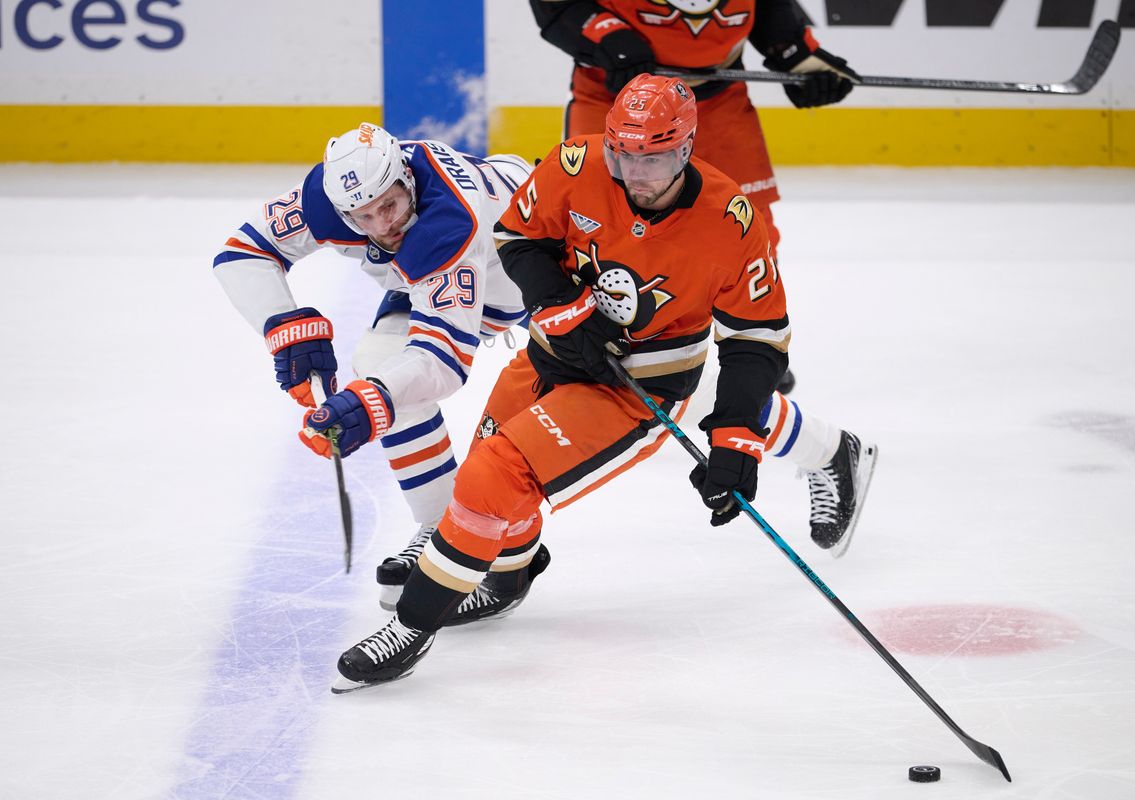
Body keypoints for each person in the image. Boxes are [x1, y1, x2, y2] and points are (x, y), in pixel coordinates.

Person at [331, 75, 874, 692]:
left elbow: (756, 340)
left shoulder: (730, 222)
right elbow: (519, 233)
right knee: (491, 498)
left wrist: (735, 439)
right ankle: (509, 577)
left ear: (688, 149)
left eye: (657, 159)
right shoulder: (580, 163)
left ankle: (410, 626)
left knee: (493, 477)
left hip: (635, 383)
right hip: (552, 352)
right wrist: (559, 305)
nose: (636, 175)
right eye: (624, 156)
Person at [213, 122, 545, 620]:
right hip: (429, 276)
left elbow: (445, 360)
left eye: (388, 206)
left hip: (528, 263)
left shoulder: (447, 223)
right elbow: (241, 252)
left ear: (407, 179)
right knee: (378, 365)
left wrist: (370, 402)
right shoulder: (327, 199)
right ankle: (443, 527)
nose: (380, 226)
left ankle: (505, 549)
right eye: (361, 216)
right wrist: (283, 323)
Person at [529, 0, 861, 396]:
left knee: (751, 229)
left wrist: (797, 54)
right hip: (618, 98)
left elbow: (771, 15)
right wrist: (606, 36)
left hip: (716, 100)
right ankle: (586, 344)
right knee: (592, 225)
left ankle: (753, 345)